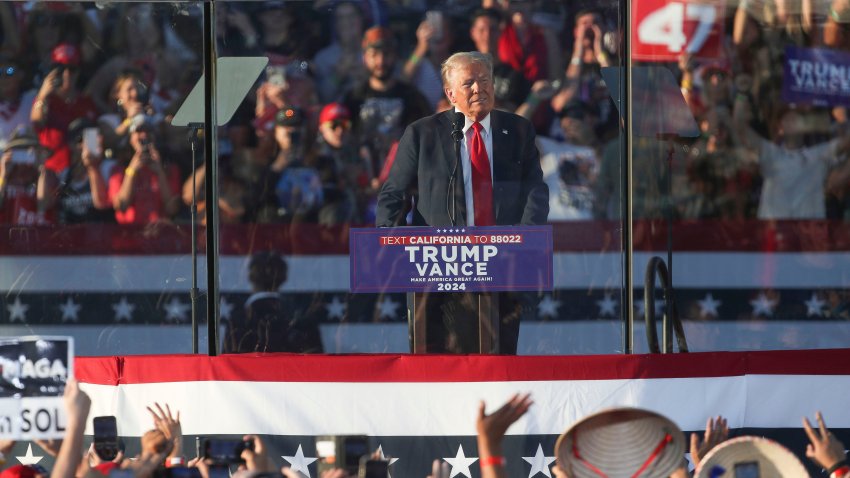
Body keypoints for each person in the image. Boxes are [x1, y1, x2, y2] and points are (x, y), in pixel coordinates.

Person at [375, 51, 548, 353]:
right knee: (438, 365)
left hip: (501, 266)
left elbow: (535, 191)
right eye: (469, 83)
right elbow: (393, 196)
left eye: (485, 80)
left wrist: (523, 242)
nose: (479, 89)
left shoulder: (518, 130)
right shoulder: (422, 134)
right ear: (450, 93)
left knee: (498, 362)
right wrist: (397, 250)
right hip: (437, 271)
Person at [222, 251, 323, 353]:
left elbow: (227, 365)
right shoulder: (303, 320)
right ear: (284, 278)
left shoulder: (238, 320)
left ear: (251, 278)